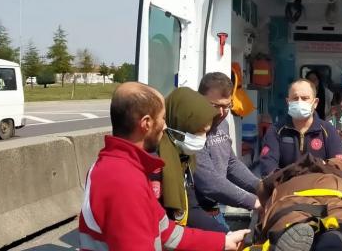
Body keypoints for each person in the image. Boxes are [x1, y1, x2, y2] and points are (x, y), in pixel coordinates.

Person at [79, 82, 249, 251]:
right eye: (162, 118)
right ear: (146, 123)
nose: (165, 126)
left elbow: (166, 231)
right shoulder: (123, 181)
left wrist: (223, 241)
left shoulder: (126, 168)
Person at [255, 154, 342, 251]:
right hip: (338, 191)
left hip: (294, 192)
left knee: (291, 217)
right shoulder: (338, 166)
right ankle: (340, 241)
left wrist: (263, 209)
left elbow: (262, 189)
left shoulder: (288, 170)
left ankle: (294, 227)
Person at [154, 87, 229, 232]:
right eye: (198, 132)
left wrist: (226, 235)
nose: (202, 138)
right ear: (180, 124)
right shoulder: (156, 164)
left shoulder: (184, 158)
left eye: (205, 133)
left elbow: (191, 208)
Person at [194, 72, 261, 229]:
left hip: (214, 210)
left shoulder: (222, 123)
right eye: (215, 106)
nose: (221, 113)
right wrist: (253, 201)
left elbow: (230, 163)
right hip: (193, 212)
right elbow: (209, 183)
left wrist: (260, 187)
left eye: (227, 106)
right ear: (199, 99)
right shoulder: (192, 129)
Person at [260, 79, 342, 177]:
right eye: (295, 98)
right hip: (285, 185)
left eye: (305, 98)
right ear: (288, 102)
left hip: (320, 185)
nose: (299, 102)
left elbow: (339, 167)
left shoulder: (329, 131)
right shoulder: (275, 130)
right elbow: (268, 166)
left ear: (315, 103)